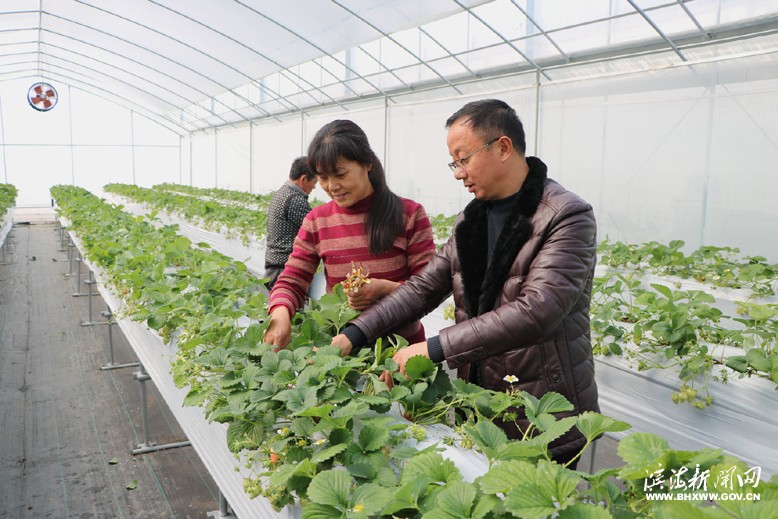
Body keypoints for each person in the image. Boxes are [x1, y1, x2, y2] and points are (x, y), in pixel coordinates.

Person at [331, 99, 599, 468]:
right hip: (483, 404)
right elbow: (422, 289)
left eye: (463, 159)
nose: (458, 173)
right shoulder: (470, 221)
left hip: (544, 411)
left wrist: (434, 349)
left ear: (503, 147)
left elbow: (538, 310)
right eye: (453, 162)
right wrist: (355, 333)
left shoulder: (566, 216)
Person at [263, 119, 436, 348]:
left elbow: (429, 290)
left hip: (402, 351)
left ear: (367, 164)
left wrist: (382, 289)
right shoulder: (317, 221)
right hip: (340, 355)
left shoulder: (409, 215)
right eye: (323, 178)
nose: (332, 186)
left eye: (340, 174)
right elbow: (292, 279)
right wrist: (280, 313)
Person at [263, 156, 318, 290]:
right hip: (284, 268)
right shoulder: (294, 199)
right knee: (288, 308)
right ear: (304, 179)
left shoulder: (282, 192)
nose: (315, 186)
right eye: (314, 182)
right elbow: (317, 230)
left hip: (275, 264)